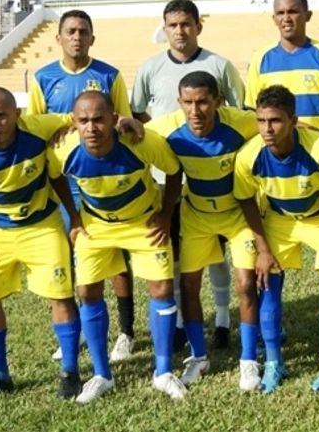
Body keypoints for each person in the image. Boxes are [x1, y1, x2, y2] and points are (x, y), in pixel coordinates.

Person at [48, 91, 185, 403]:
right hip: (95, 227)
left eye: (99, 119)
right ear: (74, 122)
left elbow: (174, 170)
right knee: (87, 292)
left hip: (142, 223)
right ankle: (102, 375)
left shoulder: (140, 142)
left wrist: (166, 214)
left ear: (113, 119)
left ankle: (163, 372)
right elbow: (55, 176)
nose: (91, 127)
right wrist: (74, 217)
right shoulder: (64, 149)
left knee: (162, 289)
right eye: (83, 120)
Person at [132, 0, 246, 350]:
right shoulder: (150, 67)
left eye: (186, 24)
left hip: (213, 175)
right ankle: (181, 322)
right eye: (173, 25)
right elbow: (139, 117)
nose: (180, 31)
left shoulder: (219, 65)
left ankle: (223, 319)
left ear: (198, 26)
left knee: (218, 252)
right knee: (179, 256)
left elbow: (239, 113)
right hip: (167, 179)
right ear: (164, 28)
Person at [28, 9, 136, 362]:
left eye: (83, 31)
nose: (77, 37)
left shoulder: (108, 75)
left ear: (92, 37)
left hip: (105, 182)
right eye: (71, 31)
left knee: (117, 259)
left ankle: (126, 332)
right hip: (64, 185)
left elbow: (123, 120)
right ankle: (79, 333)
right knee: (74, 261)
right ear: (58, 37)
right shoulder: (43, 78)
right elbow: (36, 127)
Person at [233, 85, 319, 394]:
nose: (267, 129)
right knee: (267, 281)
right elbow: (245, 199)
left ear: (293, 121)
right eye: (261, 121)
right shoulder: (249, 155)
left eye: (275, 121)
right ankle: (274, 362)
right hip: (280, 219)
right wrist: (263, 250)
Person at [147, 71, 261, 390]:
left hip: (236, 215)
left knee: (246, 284)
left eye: (202, 102)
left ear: (218, 101)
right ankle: (199, 357)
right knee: (189, 284)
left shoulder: (239, 122)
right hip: (196, 215)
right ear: (179, 102)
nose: (195, 111)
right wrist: (126, 125)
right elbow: (130, 134)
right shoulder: (168, 127)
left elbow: (282, 123)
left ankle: (249, 360)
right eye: (187, 103)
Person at [0, 87, 82, 399]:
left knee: (61, 295)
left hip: (41, 226)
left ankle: (70, 371)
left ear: (17, 115)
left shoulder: (37, 128)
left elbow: (82, 116)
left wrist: (127, 121)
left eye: (1, 116)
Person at [245, 0, 319, 138]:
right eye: (280, 13)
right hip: (278, 147)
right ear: (274, 19)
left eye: (293, 12)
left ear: (307, 15)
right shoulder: (261, 58)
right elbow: (253, 111)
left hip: (318, 147)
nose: (286, 18)